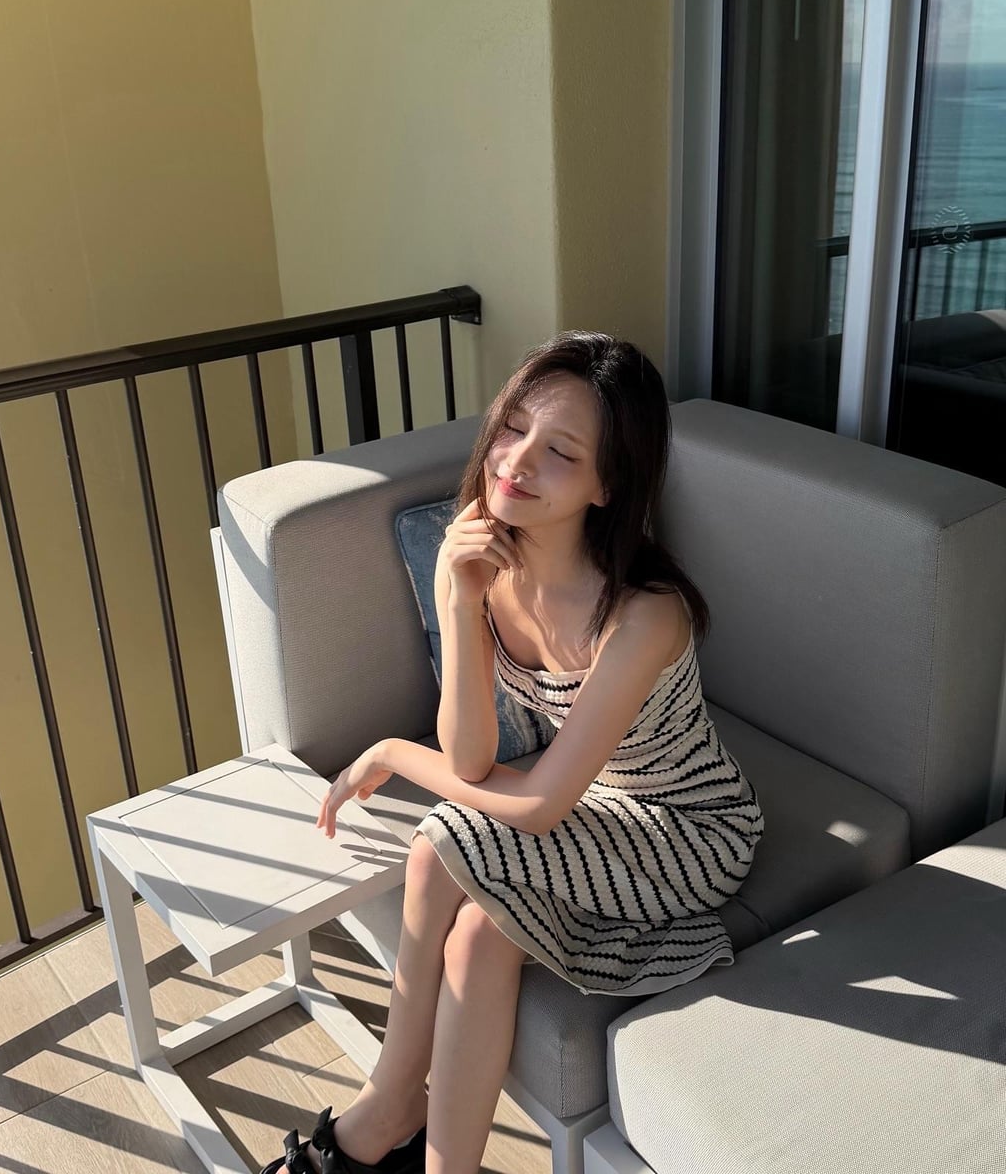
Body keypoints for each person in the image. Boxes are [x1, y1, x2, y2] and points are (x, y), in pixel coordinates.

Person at [265, 331, 764, 1174]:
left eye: (561, 452)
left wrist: (391, 750)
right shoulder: (480, 565)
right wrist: (457, 600)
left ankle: (382, 1116)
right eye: (513, 428)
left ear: (607, 485)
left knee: (439, 841)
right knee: (478, 937)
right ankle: (412, 1136)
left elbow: (534, 805)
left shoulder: (644, 615)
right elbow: (469, 759)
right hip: (603, 806)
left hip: (691, 832)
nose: (518, 461)